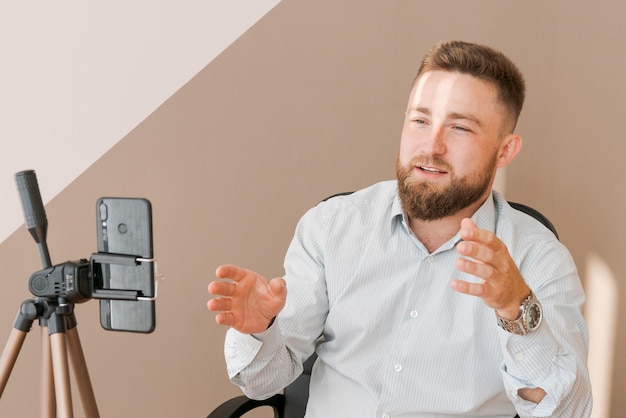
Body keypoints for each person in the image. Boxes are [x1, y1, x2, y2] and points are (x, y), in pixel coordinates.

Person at [207, 40, 592, 417]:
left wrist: (516, 311)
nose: (432, 145)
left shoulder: (538, 259)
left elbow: (564, 413)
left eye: (459, 128)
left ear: (505, 150)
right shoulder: (332, 226)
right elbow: (260, 382)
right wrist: (259, 329)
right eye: (420, 121)